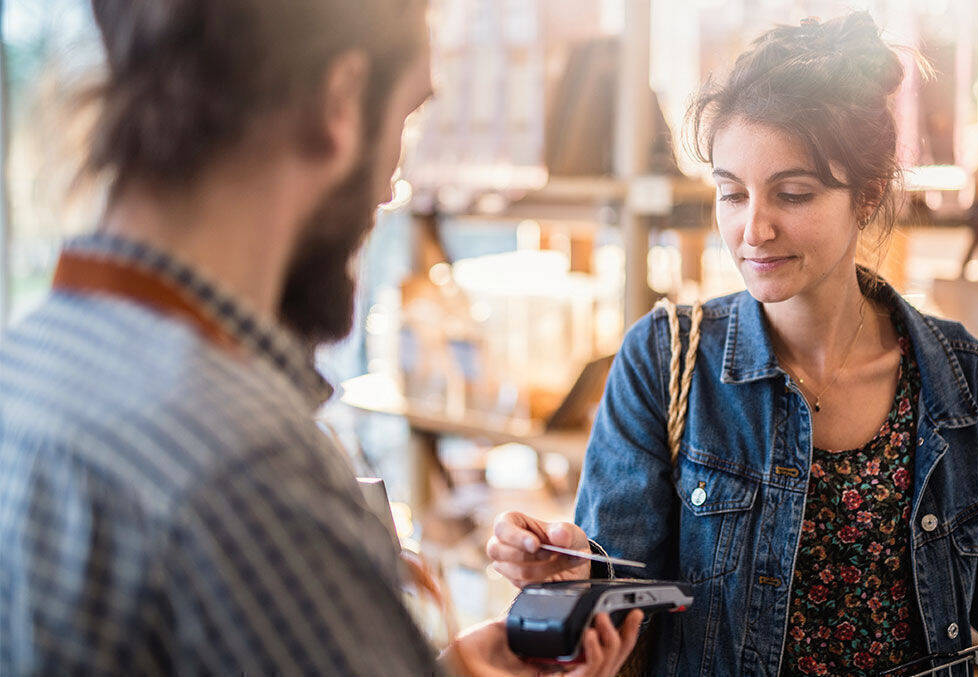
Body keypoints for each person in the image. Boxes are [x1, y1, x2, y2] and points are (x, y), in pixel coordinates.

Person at [489, 13, 978, 677]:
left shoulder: (961, 378)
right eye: (731, 193)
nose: (754, 228)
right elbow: (623, 585)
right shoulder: (664, 361)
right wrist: (571, 574)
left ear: (866, 196)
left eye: (793, 193)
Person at [0, 1, 642, 674]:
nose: (392, 186)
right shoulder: (253, 471)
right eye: (408, 117)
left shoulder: (29, 368)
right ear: (340, 102)